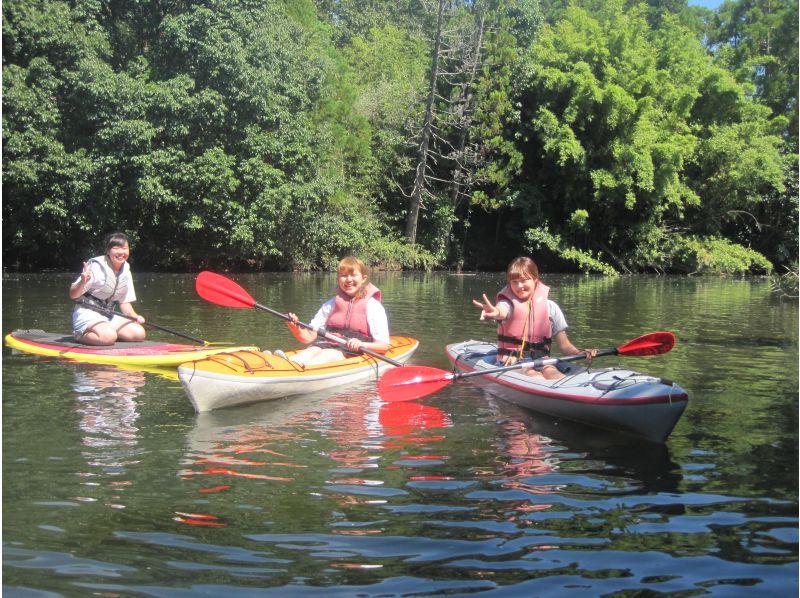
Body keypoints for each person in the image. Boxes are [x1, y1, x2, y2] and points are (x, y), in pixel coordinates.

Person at [472, 256, 597, 380]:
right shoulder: (508, 304)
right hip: (512, 362)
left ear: (535, 279)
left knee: (555, 375)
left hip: (542, 361)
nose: (519, 286)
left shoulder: (551, 308)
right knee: (535, 376)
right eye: (514, 282)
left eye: (524, 280)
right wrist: (495, 312)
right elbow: (502, 311)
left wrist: (579, 353)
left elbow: (565, 346)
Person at [282, 256, 391, 366]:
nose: (348, 280)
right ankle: (284, 364)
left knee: (327, 354)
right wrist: (294, 327)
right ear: (338, 279)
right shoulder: (330, 304)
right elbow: (308, 338)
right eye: (344, 276)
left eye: (353, 275)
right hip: (327, 344)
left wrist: (361, 344)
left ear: (363, 278)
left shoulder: (373, 306)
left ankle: (299, 371)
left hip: (354, 351)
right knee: (311, 351)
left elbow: (383, 346)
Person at [69, 232, 146, 346]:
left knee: (139, 333)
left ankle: (105, 333)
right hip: (87, 313)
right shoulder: (96, 267)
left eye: (124, 248)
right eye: (116, 248)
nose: (121, 252)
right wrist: (83, 281)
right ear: (108, 251)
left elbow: (124, 303)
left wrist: (134, 316)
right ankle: (80, 334)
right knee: (108, 337)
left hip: (107, 315)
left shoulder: (125, 270)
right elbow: (73, 295)